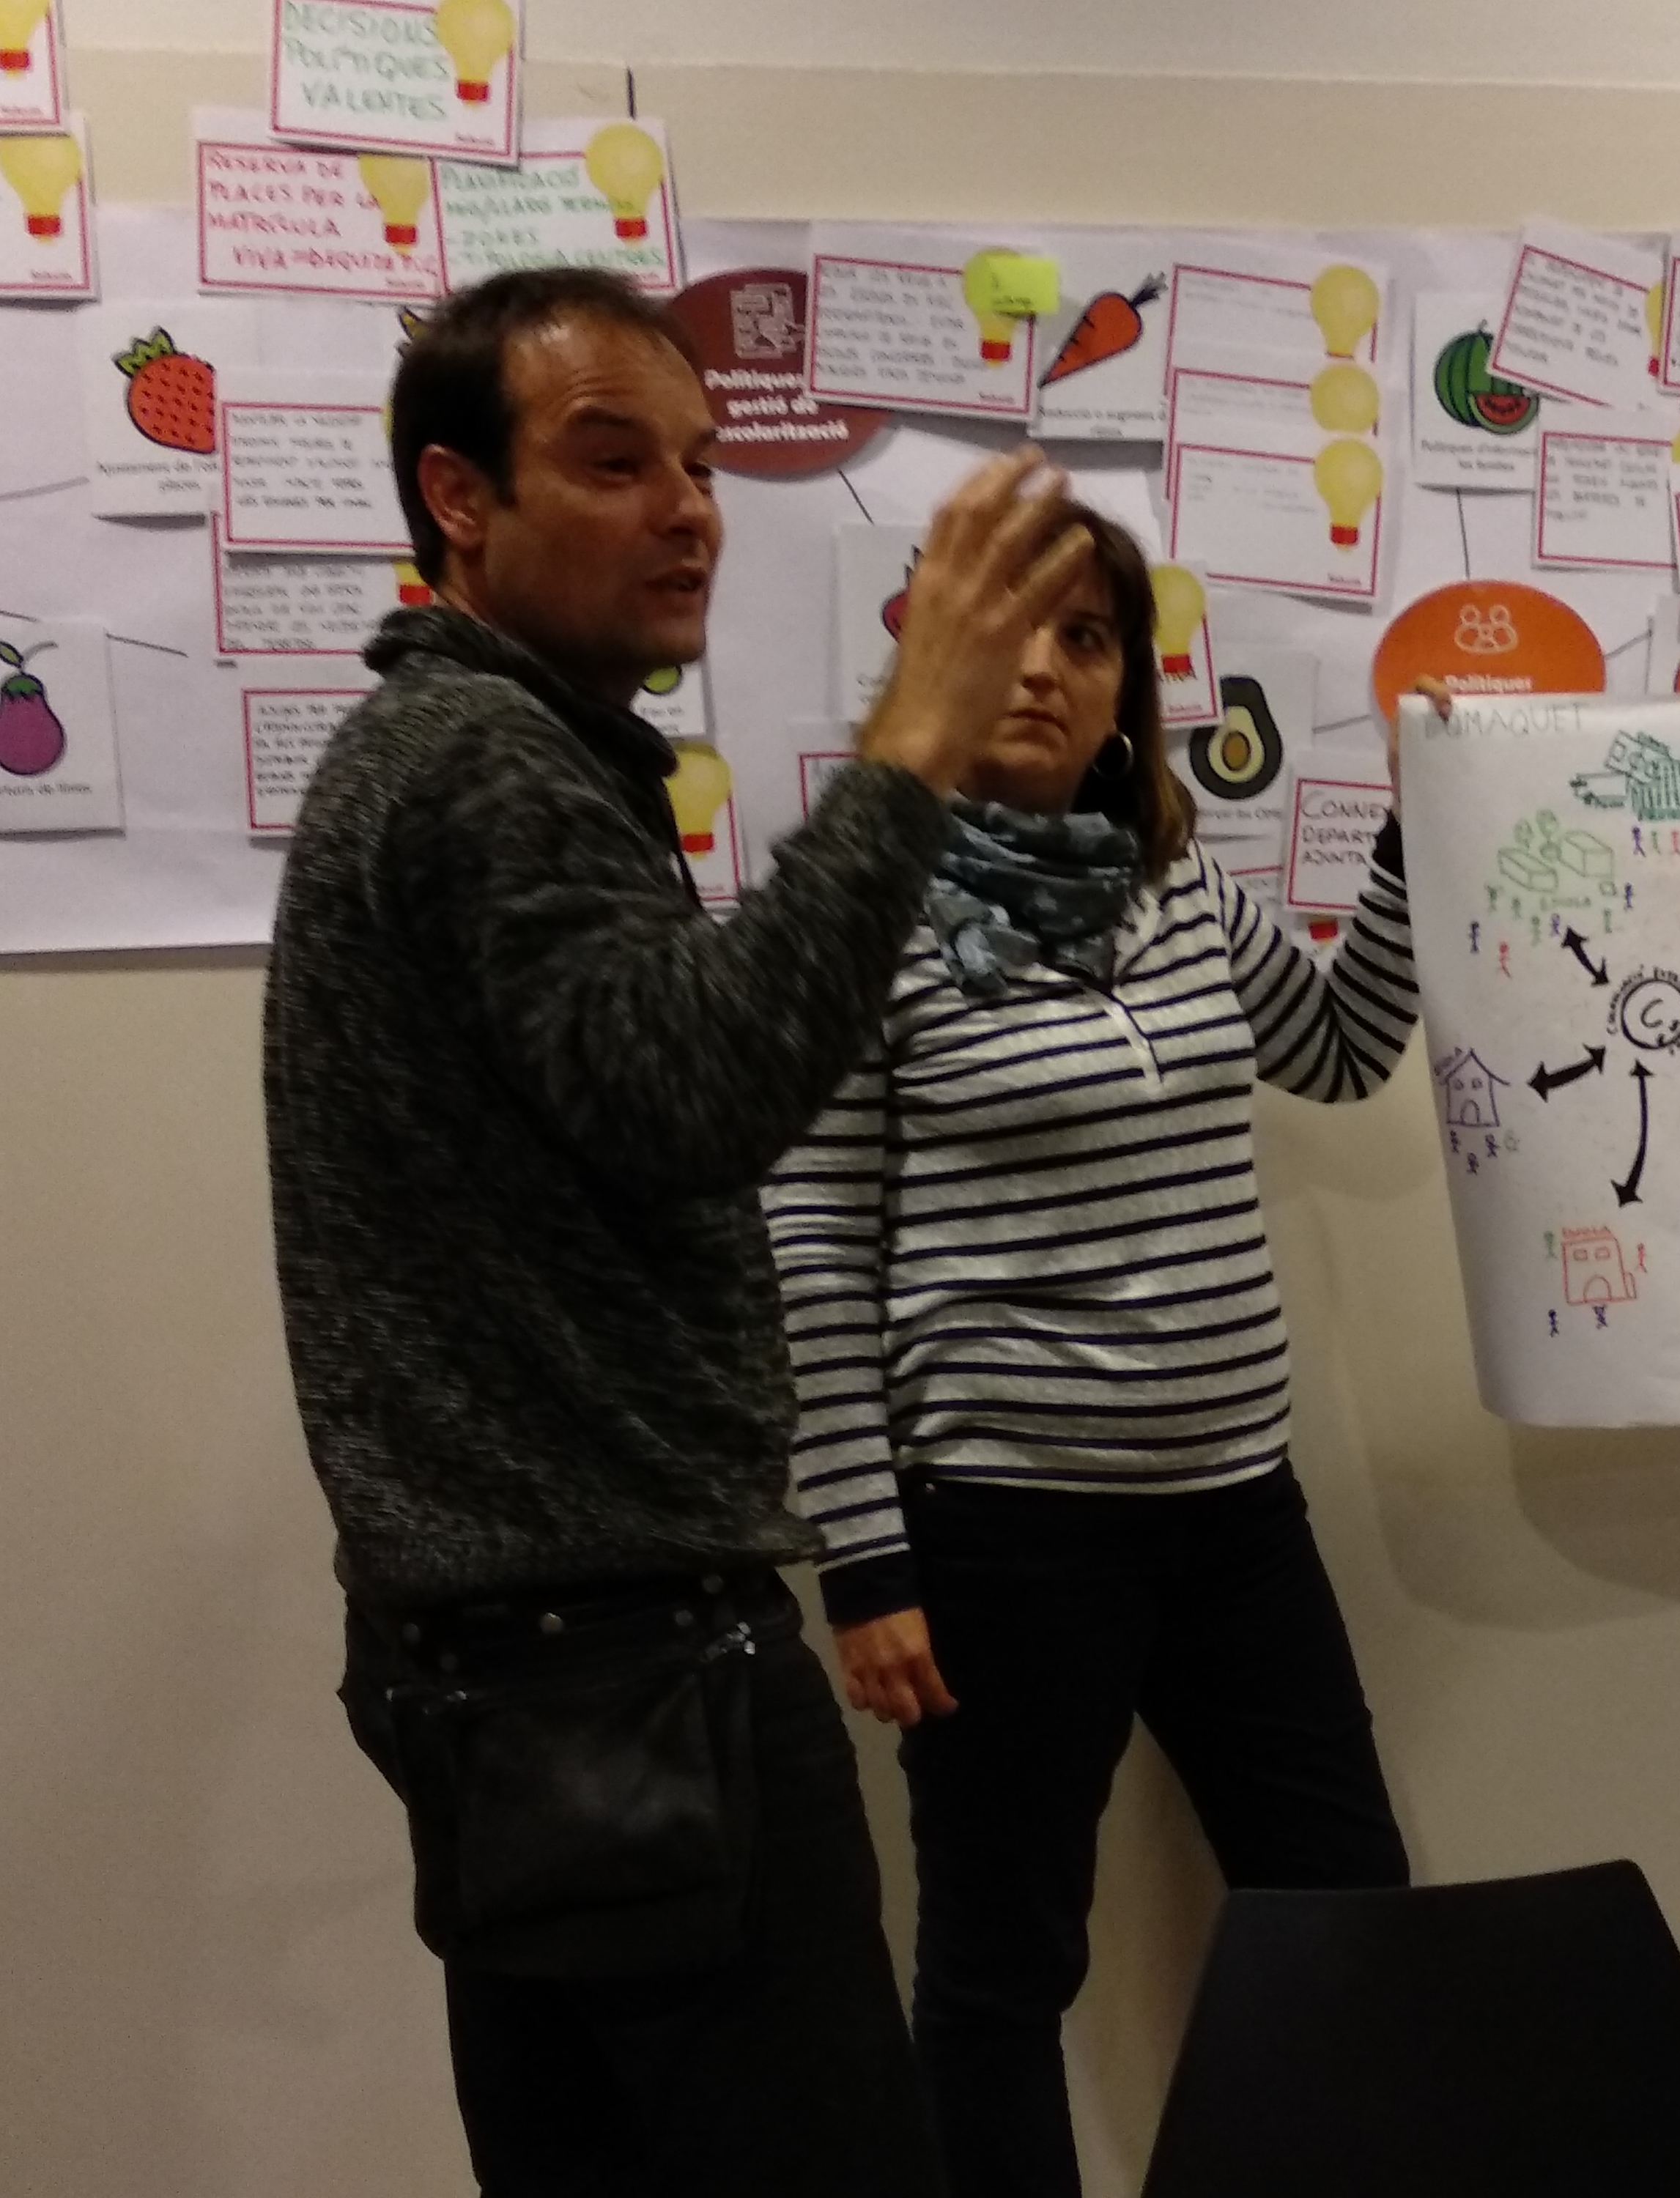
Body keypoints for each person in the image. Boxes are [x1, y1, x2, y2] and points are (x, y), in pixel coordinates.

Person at [263, 264, 1095, 2196]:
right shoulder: (484, 762)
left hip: (539, 1670)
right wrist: (907, 749)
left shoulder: (480, 748)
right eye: (613, 461)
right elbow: (699, 1094)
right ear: (460, 499)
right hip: (618, 1675)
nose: (689, 510)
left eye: (703, 464)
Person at [765, 506, 1417, 2197]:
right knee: (1000, 1978)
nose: (1045, 670)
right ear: (934, 652)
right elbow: (811, 1247)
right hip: (1001, 1536)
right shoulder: (855, 909)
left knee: (1350, 1921)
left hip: (1234, 1515)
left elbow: (1341, 1049)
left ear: (1129, 689)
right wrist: (862, 1559)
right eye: (1011, 629)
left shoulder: (1175, 882)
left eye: (1089, 638)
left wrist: (1419, 846)